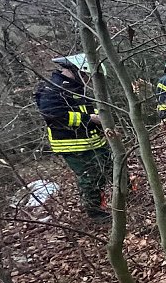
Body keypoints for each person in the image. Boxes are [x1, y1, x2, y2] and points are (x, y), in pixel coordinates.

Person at [34, 54, 111, 221]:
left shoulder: (74, 87)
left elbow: (84, 110)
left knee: (107, 168)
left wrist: (101, 121)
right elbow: (55, 117)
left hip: (91, 140)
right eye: (86, 75)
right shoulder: (52, 89)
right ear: (77, 71)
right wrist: (90, 119)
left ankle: (111, 200)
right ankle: (95, 213)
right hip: (72, 144)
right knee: (90, 177)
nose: (88, 80)